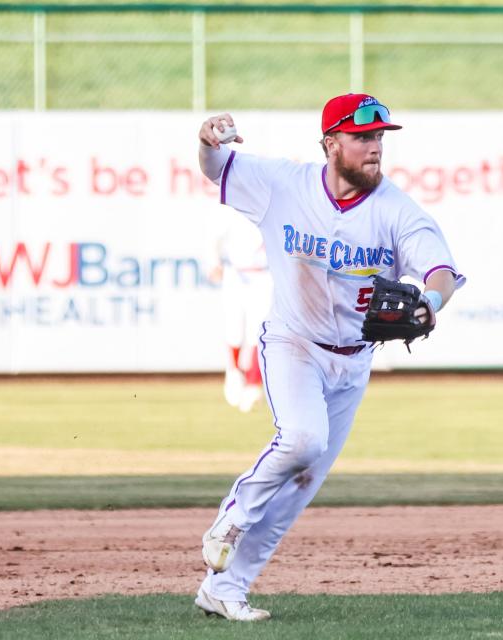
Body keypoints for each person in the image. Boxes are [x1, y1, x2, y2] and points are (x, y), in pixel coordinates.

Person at [193, 93, 465, 622]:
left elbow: (440, 271)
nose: (375, 149)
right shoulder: (284, 185)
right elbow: (215, 168)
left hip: (353, 361)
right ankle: (232, 517)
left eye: (380, 138)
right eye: (363, 138)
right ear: (331, 142)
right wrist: (205, 142)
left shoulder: (395, 210)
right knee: (302, 440)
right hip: (294, 343)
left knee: (300, 484)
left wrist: (431, 302)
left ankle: (225, 589)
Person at [208, 210, 270, 412]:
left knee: (259, 329)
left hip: (264, 274)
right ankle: (234, 372)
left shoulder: (271, 200)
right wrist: (214, 262)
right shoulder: (230, 205)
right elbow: (215, 236)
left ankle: (253, 382)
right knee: (234, 329)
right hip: (235, 273)